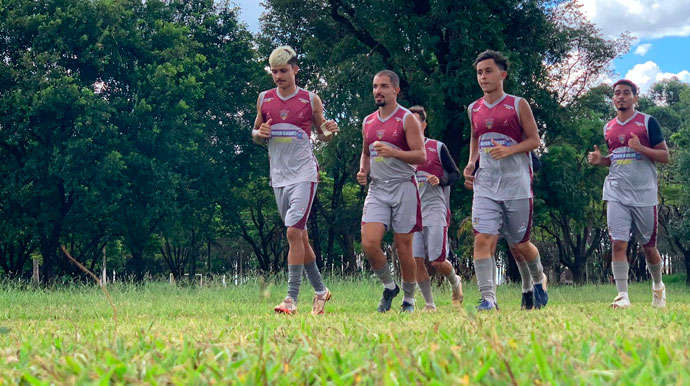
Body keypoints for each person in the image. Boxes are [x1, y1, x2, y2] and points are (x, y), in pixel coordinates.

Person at [252, 46, 338, 315]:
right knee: (299, 236)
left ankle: (290, 298)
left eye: (283, 71)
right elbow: (256, 132)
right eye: (274, 72)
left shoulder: (310, 99)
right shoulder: (264, 99)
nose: (278, 76)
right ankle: (321, 291)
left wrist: (329, 132)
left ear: (295, 70)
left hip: (304, 174)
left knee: (292, 231)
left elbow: (322, 133)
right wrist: (260, 132)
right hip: (278, 176)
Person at [463, 50, 548, 311]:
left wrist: (509, 150)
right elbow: (476, 137)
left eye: (488, 71)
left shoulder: (517, 104)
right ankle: (488, 299)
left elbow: (534, 141)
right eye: (479, 72)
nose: (483, 77)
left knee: (520, 245)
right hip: (486, 185)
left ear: (503, 74)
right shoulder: (473, 108)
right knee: (482, 239)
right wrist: (471, 162)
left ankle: (538, 279)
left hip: (516, 184)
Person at [587, 79, 669, 309]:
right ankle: (622, 296)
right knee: (618, 243)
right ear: (613, 99)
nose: (621, 97)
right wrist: (599, 160)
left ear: (635, 97)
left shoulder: (647, 122)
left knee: (648, 247)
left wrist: (641, 148)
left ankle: (658, 287)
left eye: (626, 93)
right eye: (617, 94)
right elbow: (613, 159)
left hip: (644, 194)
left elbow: (665, 156)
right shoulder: (609, 127)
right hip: (615, 192)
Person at [357, 70, 426, 312]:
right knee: (369, 242)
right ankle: (389, 286)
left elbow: (421, 155)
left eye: (384, 86)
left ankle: (409, 299)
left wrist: (394, 152)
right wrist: (363, 171)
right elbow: (366, 153)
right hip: (377, 189)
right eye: (375, 86)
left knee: (404, 247)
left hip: (404, 187)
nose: (378, 91)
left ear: (395, 90)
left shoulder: (407, 119)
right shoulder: (368, 121)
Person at [408, 105, 463, 311]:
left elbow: (455, 174)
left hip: (435, 210)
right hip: (412, 213)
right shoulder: (402, 152)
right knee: (416, 260)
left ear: (423, 125)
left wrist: (440, 179)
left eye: (415, 122)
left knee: (438, 261)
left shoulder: (437, 147)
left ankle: (455, 282)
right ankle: (429, 304)